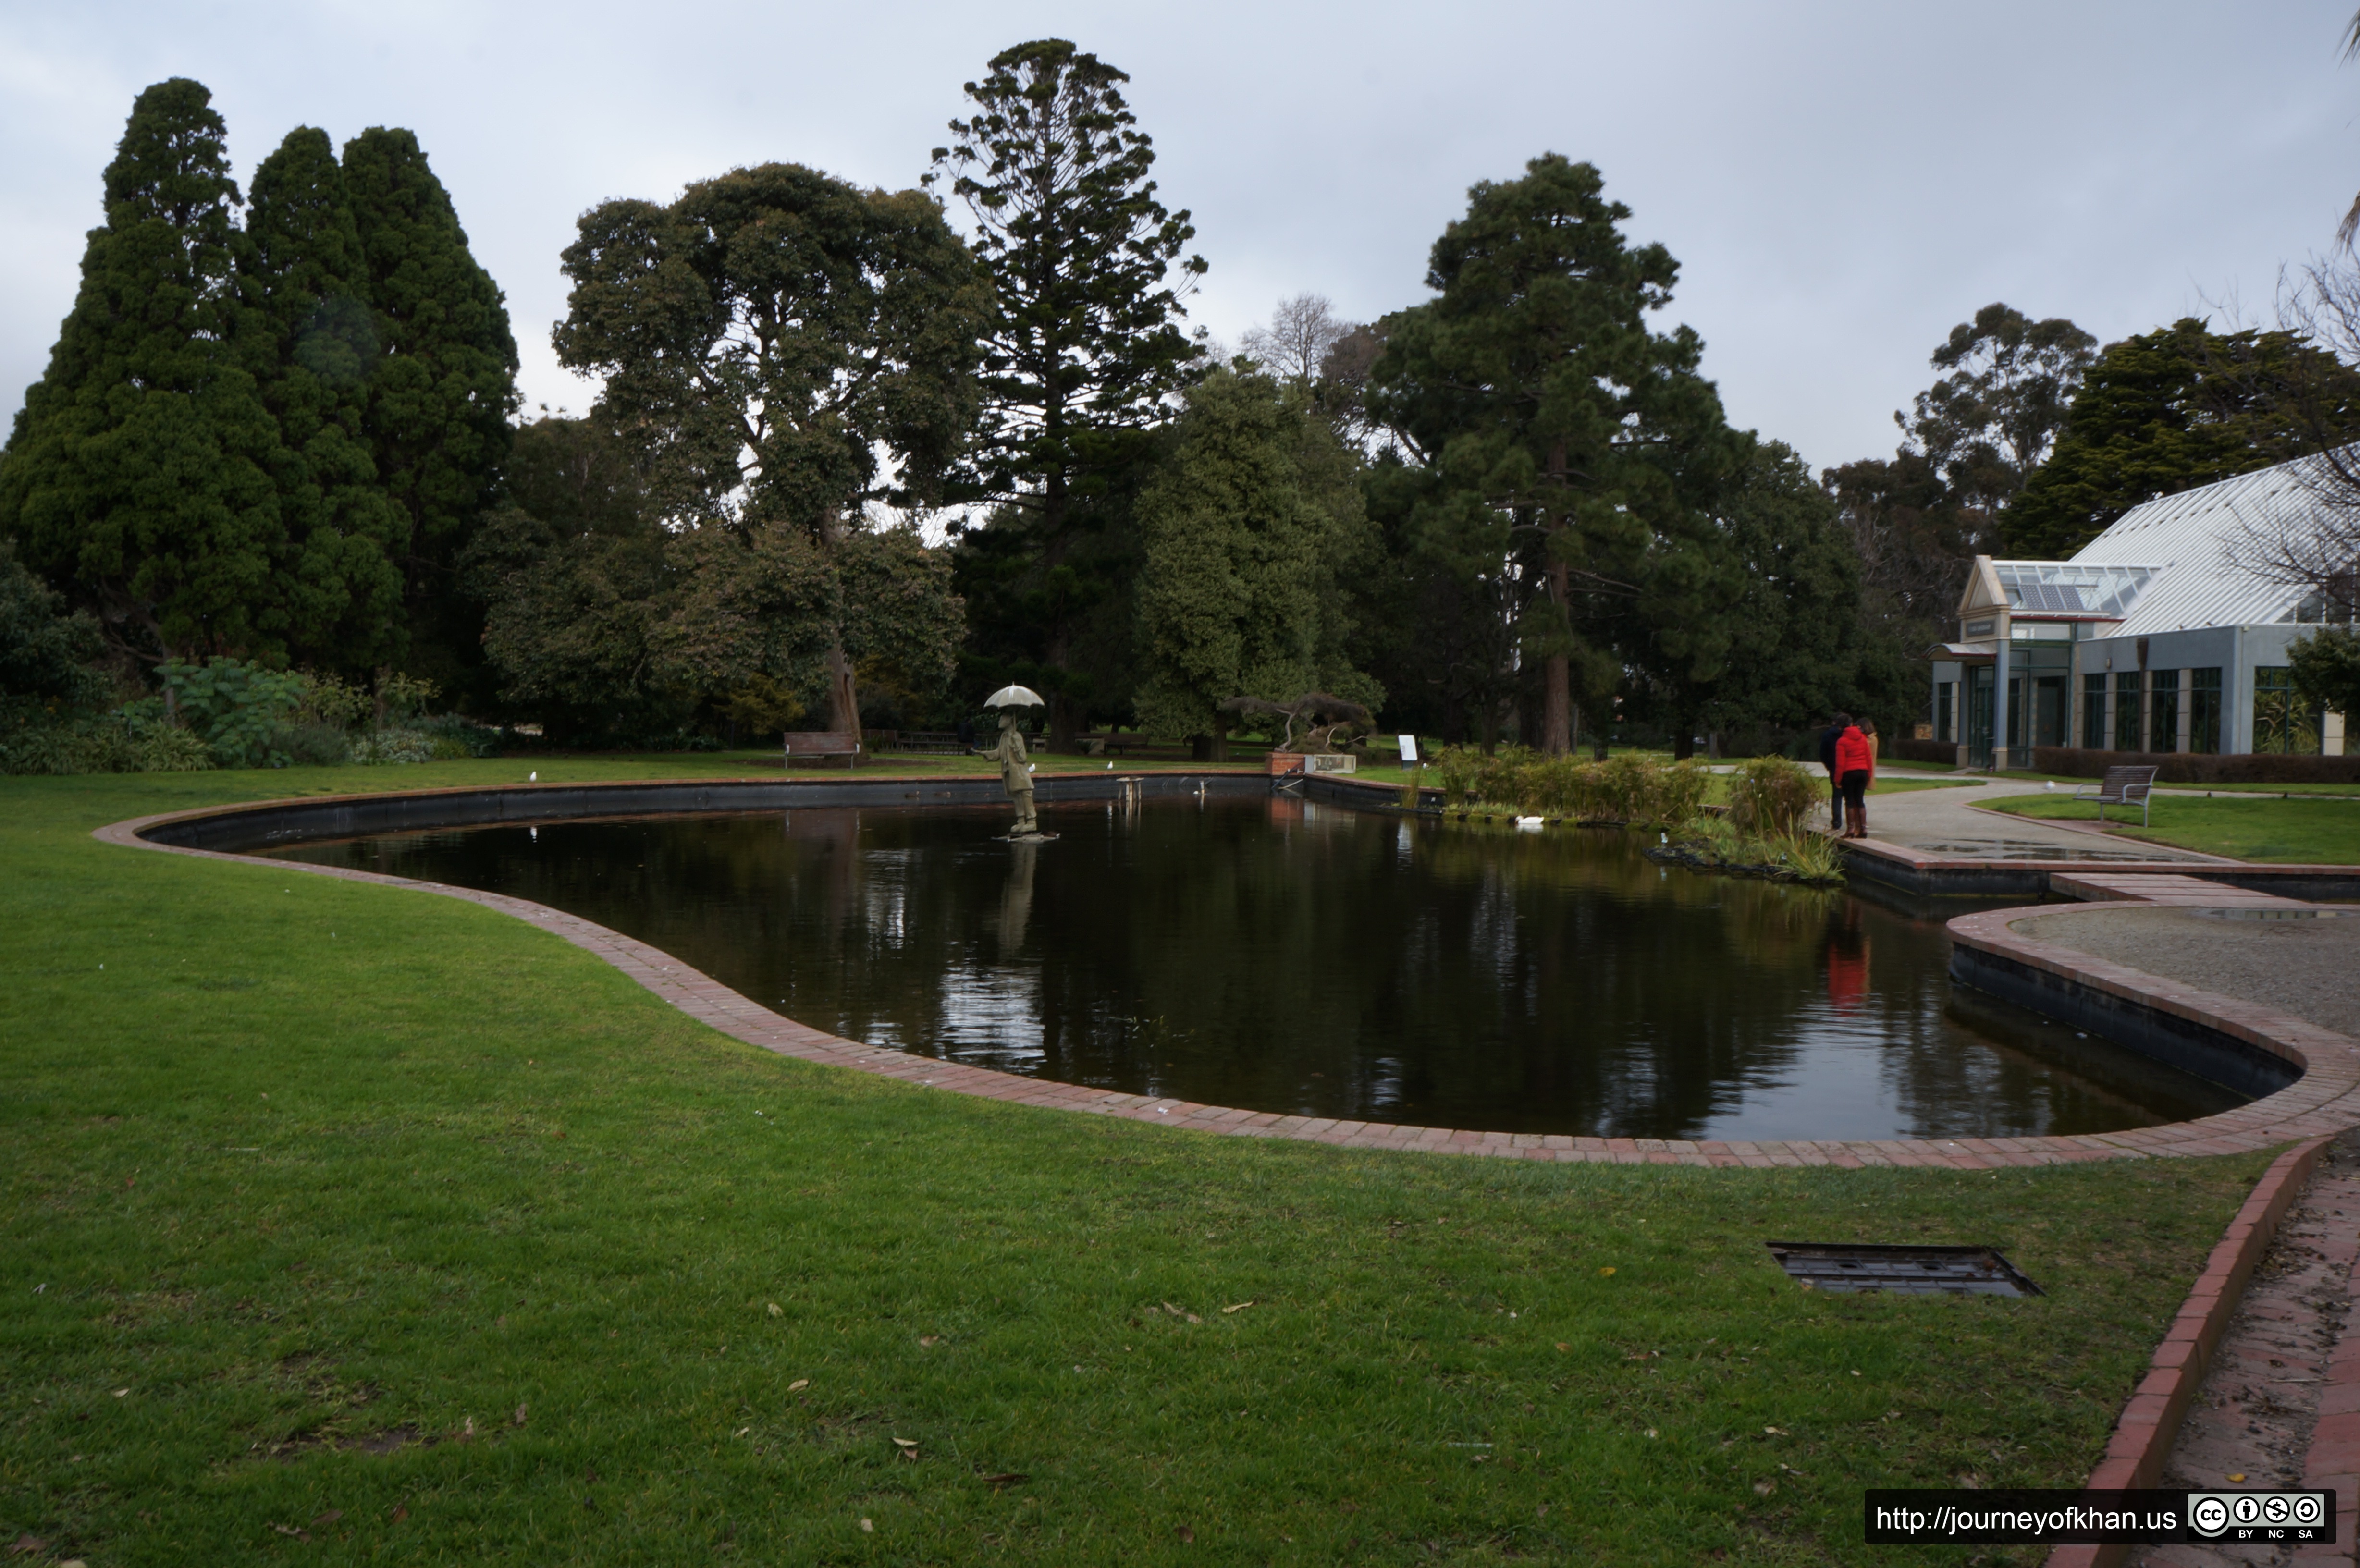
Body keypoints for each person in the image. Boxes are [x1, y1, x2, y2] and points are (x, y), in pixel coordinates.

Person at [989, 710, 1038, 836]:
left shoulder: (1016, 737)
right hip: (1009, 772)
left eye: (1002, 719)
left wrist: (1016, 744)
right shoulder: (1004, 737)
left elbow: (1023, 758)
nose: (999, 722)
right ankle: (1021, 820)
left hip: (1020, 773)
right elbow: (998, 753)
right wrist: (984, 754)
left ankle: (1032, 821)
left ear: (1009, 721)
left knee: (1026, 795)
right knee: (1016, 796)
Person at [1833, 715, 1876, 840]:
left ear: (1841, 727)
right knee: (1860, 801)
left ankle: (1851, 829)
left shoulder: (1842, 741)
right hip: (1863, 772)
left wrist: (1838, 780)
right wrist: (1869, 774)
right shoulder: (1863, 739)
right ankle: (1863, 828)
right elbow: (1869, 758)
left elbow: (1840, 763)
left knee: (1850, 802)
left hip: (1849, 773)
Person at [1818, 714, 1850, 832]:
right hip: (1849, 768)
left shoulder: (1828, 735)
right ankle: (1852, 823)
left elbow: (1823, 753)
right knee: (1851, 797)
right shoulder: (1850, 736)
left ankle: (1837, 822)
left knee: (1837, 796)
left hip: (1834, 767)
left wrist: (1829, 766)